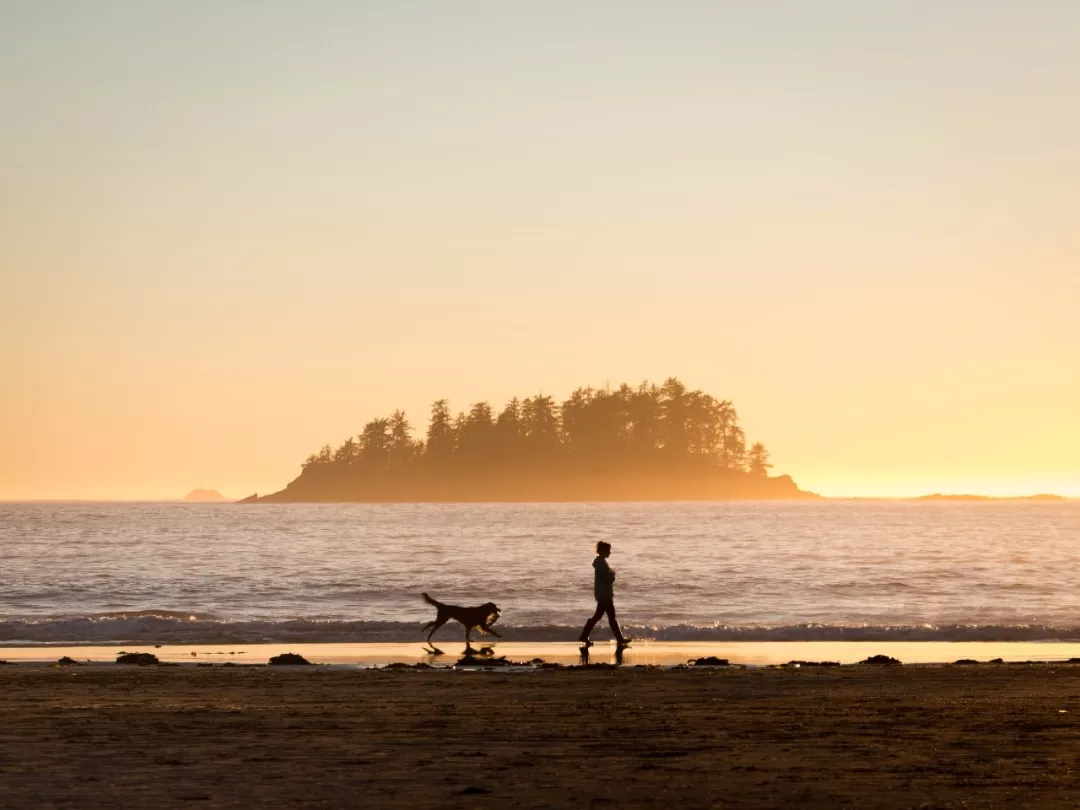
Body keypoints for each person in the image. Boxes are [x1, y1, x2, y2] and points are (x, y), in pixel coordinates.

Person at [578, 541, 630, 647]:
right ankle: (619, 639)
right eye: (608, 550)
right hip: (604, 595)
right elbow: (606, 579)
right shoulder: (601, 563)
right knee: (607, 617)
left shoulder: (601, 562)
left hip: (603, 594)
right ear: (603, 551)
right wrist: (612, 576)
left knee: (602, 616)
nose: (610, 552)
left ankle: (585, 635)